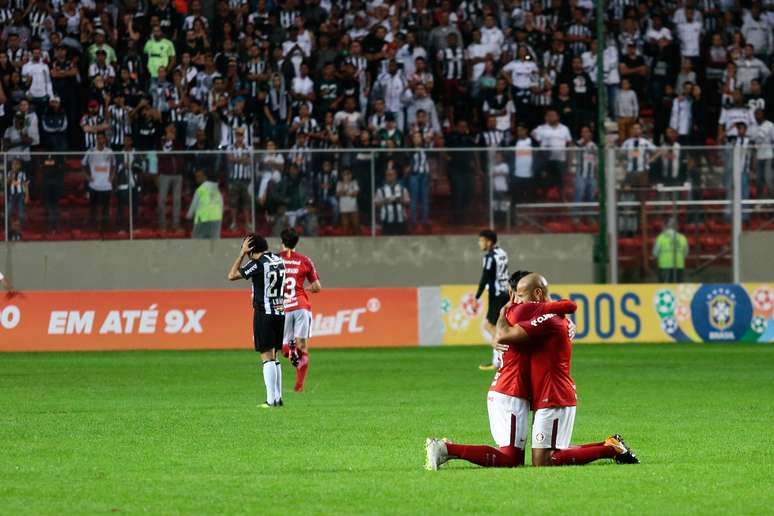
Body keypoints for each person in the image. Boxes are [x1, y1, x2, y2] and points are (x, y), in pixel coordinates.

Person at [425, 271, 577, 470]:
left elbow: (555, 313)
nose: (521, 300)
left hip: (509, 391)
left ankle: (446, 449)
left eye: (522, 295)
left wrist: (563, 319)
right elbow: (567, 305)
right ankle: (445, 449)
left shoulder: (519, 314)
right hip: (511, 391)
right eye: (519, 295)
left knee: (513, 458)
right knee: (510, 460)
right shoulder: (520, 312)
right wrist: (560, 316)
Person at [492, 273, 640, 467]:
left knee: (545, 460)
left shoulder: (545, 319)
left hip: (554, 393)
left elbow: (507, 333)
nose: (519, 301)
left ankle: (611, 449)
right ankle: (611, 445)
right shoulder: (546, 316)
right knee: (546, 456)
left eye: (521, 296)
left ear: (537, 293)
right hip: (546, 393)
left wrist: (501, 321)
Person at [227, 235, 286, 409]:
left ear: (251, 249)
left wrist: (241, 254)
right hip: (280, 311)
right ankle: (278, 398)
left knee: (266, 356)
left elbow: (231, 275)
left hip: (264, 313)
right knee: (274, 356)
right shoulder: (278, 259)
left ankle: (270, 400)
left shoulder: (258, 263)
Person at [278, 228, 321, 393]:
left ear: (282, 241)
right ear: (297, 243)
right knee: (303, 346)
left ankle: (292, 353)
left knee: (284, 348)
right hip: (301, 306)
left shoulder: (274, 259)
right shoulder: (305, 260)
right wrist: (306, 289)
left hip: (283, 308)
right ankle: (299, 385)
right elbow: (317, 287)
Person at [474, 229, 509, 371]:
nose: (479, 243)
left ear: (489, 242)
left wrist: (476, 297)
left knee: (489, 326)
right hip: (506, 292)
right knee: (499, 325)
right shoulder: (502, 253)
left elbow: (485, 278)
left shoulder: (489, 257)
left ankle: (504, 351)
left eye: (481, 240)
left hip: (497, 295)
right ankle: (497, 360)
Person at [81, 132, 115, 232]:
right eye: (98, 138)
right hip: (94, 186)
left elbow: (114, 165)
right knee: (93, 208)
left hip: (106, 186)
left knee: (105, 209)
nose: (100, 140)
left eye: (102, 138)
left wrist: (111, 176)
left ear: (105, 140)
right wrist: (87, 176)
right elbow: (83, 164)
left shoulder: (109, 152)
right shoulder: (90, 151)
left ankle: (105, 228)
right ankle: (92, 228)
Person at [187, 169, 223, 239]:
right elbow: (221, 205)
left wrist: (189, 216)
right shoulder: (217, 190)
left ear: (204, 177)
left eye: (198, 177)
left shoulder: (201, 189)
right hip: (216, 220)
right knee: (214, 244)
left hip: (202, 220)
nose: (196, 179)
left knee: (197, 243)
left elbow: (194, 204)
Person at [374, 165, 410, 235]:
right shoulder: (380, 190)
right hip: (387, 221)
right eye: (388, 175)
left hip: (401, 221)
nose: (390, 176)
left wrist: (400, 200)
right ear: (385, 176)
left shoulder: (403, 189)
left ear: (396, 175)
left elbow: (408, 203)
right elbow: (376, 205)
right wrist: (385, 201)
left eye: (392, 174)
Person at [653, 218, 689, 283]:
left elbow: (655, 253)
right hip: (679, 265)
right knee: (678, 288)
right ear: (677, 226)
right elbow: (686, 254)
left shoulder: (661, 237)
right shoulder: (683, 238)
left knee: (666, 289)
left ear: (665, 226)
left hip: (664, 266)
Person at [7, 159, 29, 240]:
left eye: (17, 164)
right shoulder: (9, 173)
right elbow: (6, 183)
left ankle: (19, 232)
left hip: (20, 195)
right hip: (12, 195)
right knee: (8, 212)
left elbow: (25, 185)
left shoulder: (22, 174)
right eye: (13, 164)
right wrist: (11, 175)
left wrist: (27, 195)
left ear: (20, 166)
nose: (15, 166)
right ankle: (11, 231)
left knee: (21, 214)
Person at [336, 168, 360, 235]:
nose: (347, 175)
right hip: (343, 207)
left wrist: (345, 193)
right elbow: (338, 194)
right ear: (342, 175)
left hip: (353, 207)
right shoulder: (339, 183)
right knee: (345, 227)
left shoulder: (354, 182)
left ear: (351, 174)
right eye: (345, 174)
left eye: (348, 173)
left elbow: (355, 193)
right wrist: (344, 187)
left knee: (356, 225)